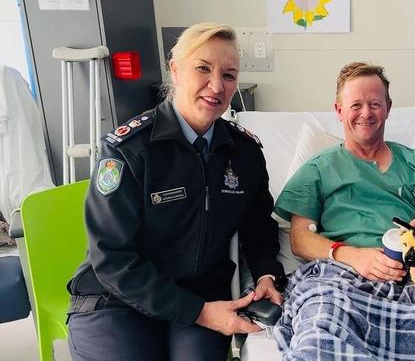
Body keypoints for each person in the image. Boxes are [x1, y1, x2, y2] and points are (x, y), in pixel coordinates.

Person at [66, 22, 284, 361]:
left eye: (229, 75)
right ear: (176, 70)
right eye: (203, 69)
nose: (216, 86)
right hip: (117, 301)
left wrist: (267, 274)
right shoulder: (128, 150)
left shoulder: (244, 153)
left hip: (200, 294)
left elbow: (258, 227)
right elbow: (112, 258)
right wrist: (198, 312)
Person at [274, 61, 415, 282]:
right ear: (339, 110)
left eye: (375, 104)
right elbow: (300, 239)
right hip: (343, 276)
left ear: (388, 108)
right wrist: (352, 256)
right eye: (356, 105)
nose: (366, 113)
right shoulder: (317, 171)